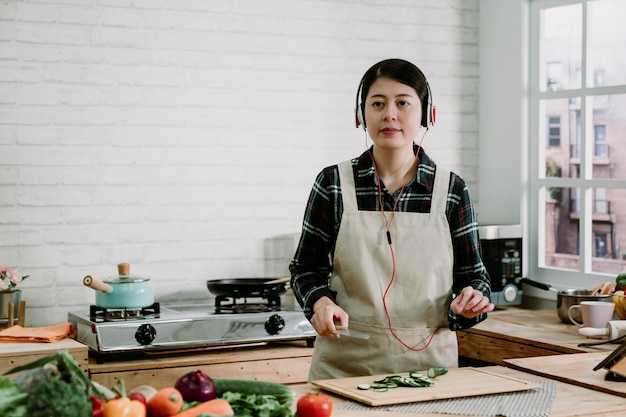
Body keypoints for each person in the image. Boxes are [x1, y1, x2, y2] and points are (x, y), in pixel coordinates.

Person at [289, 58, 494, 381]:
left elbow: (475, 278)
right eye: (378, 103)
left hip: (429, 370)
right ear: (361, 115)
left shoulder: (451, 190)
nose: (390, 114)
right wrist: (319, 303)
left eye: (403, 103)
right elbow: (305, 268)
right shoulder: (332, 183)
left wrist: (471, 304)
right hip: (344, 366)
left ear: (428, 114)